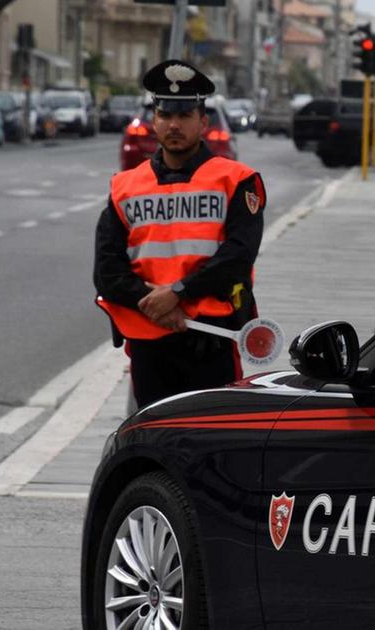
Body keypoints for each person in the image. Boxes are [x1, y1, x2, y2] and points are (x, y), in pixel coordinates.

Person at [93, 59, 266, 408]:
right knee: (153, 445)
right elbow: (106, 273)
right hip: (149, 341)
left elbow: (238, 256)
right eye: (165, 115)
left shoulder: (237, 180)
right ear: (154, 121)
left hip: (212, 339)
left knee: (214, 442)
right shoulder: (125, 187)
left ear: (202, 122)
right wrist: (158, 306)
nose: (174, 125)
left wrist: (177, 293)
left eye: (185, 116)